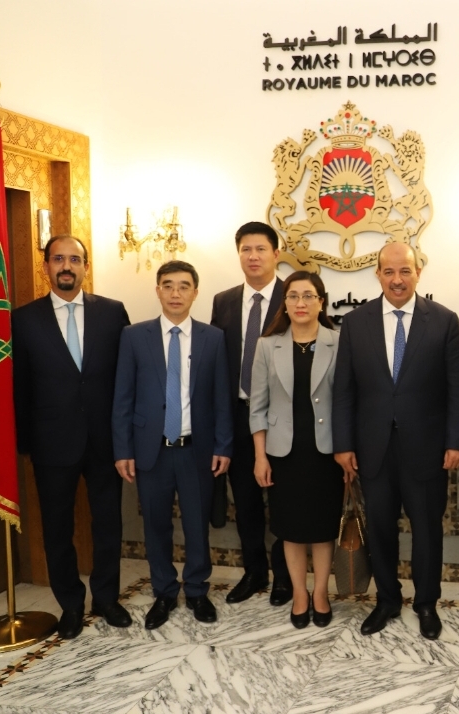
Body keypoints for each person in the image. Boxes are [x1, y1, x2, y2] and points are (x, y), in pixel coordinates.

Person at [332, 242, 459, 640]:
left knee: (427, 530)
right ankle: (387, 600)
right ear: (377, 275)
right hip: (373, 449)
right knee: (380, 530)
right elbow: (344, 390)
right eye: (388, 271)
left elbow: (458, 389)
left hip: (427, 449)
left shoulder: (443, 321)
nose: (396, 279)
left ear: (418, 273)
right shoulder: (355, 323)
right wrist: (343, 444)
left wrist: (456, 441)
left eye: (405, 271)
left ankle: (426, 603)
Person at [12, 235, 131, 639]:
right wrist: (25, 443)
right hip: (51, 442)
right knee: (57, 529)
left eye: (74, 259)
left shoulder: (112, 313)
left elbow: (126, 379)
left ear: (85, 266)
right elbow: (20, 386)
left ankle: (107, 599)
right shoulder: (23, 320)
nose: (66, 266)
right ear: (46, 266)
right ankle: (71, 605)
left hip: (105, 442)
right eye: (58, 259)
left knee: (108, 524)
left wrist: (127, 437)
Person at [112, 261, 233, 630]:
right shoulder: (134, 336)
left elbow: (222, 398)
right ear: (158, 291)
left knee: (197, 525)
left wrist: (223, 446)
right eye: (168, 285)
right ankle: (164, 591)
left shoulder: (213, 337)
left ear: (195, 292)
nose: (176, 293)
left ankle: (196, 590)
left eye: (183, 286)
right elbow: (123, 397)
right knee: (156, 525)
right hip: (152, 451)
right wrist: (123, 450)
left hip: (197, 450)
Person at [250, 271, 343, 629]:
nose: (300, 303)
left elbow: (348, 402)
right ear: (285, 303)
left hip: (326, 453)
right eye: (293, 296)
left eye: (308, 296)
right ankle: (300, 594)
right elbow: (257, 407)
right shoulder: (267, 346)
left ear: (321, 302)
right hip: (282, 454)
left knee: (322, 528)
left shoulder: (339, 342)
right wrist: (260, 456)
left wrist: (348, 452)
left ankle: (320, 593)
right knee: (290, 528)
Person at [210, 222, 290, 606]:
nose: (253, 256)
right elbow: (217, 363)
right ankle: (254, 571)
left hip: (282, 419)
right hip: (237, 417)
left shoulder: (294, 296)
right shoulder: (223, 301)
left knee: (283, 501)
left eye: (260, 249)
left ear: (276, 254)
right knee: (245, 502)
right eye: (246, 249)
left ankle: (284, 577)